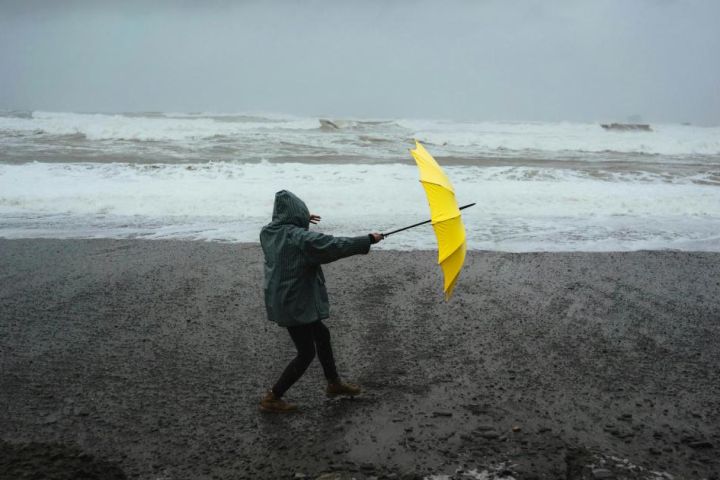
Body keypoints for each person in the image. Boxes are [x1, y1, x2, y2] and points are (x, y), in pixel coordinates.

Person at [259, 190, 383, 413]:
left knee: (322, 335)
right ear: (295, 215)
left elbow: (287, 231)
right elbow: (333, 245)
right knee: (306, 353)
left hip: (283, 298)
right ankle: (273, 397)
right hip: (295, 303)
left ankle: (333, 383)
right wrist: (368, 240)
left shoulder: (268, 233)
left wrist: (301, 220)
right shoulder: (299, 238)